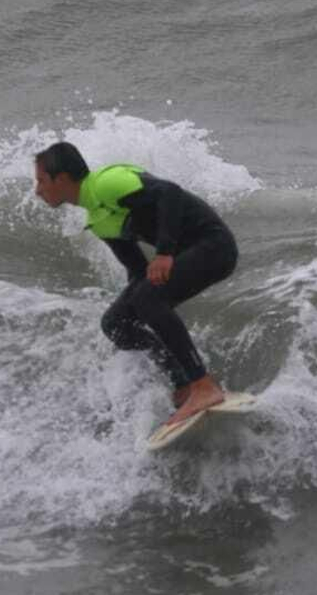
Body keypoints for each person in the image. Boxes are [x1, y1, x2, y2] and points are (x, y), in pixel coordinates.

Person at [33, 141, 238, 429]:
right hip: (190, 254)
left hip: (214, 245)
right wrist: (127, 303)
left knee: (147, 299)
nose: (37, 190)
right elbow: (138, 271)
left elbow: (170, 193)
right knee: (116, 322)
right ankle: (183, 383)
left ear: (63, 178)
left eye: (41, 180)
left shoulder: (106, 183)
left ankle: (204, 387)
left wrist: (165, 252)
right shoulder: (98, 219)